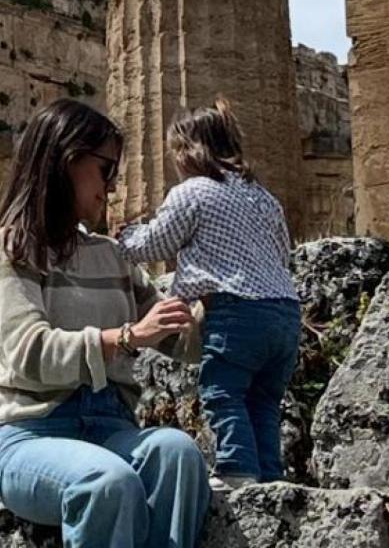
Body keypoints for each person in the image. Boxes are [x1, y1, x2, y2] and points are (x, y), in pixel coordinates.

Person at [0, 98, 210, 548]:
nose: (112, 187)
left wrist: (227, 300)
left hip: (111, 428)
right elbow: (28, 352)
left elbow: (180, 339)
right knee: (107, 482)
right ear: (68, 160)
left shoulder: (112, 256)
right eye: (106, 170)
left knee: (178, 453)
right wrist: (126, 337)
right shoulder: (14, 247)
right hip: (32, 434)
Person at [116, 98, 301, 492]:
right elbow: (283, 251)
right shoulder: (264, 198)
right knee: (264, 401)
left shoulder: (193, 193)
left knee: (223, 390)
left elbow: (156, 243)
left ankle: (235, 469)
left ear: (186, 151)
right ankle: (268, 476)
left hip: (235, 312)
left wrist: (124, 239)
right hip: (285, 313)